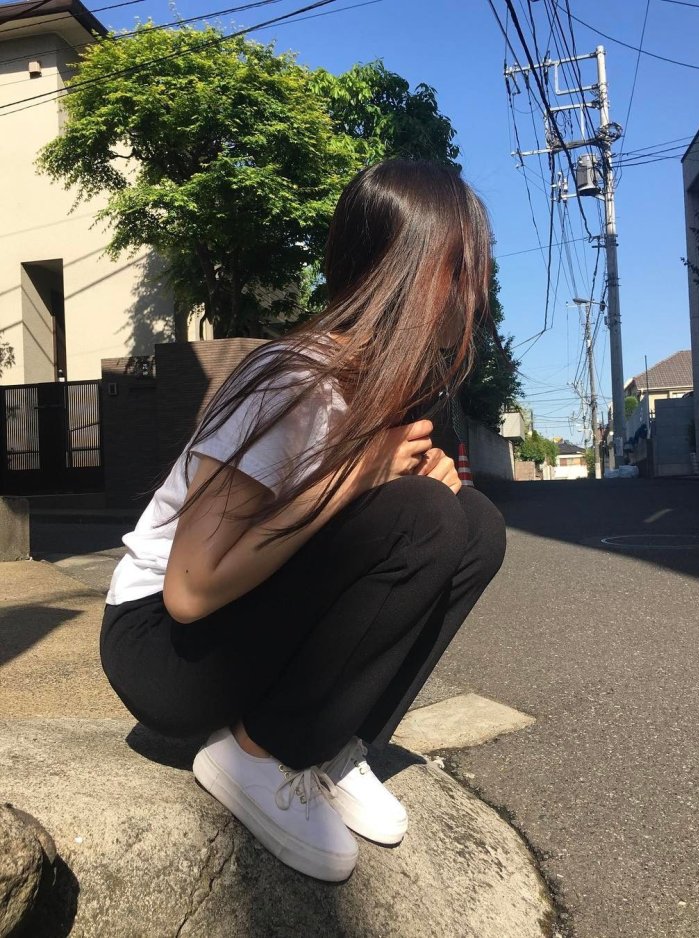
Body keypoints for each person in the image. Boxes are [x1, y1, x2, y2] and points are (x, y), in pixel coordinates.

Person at [100, 159, 507, 883]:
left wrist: (408, 485)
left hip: (233, 631)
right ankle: (255, 755)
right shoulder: (291, 381)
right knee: (422, 516)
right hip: (163, 650)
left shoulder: (382, 388)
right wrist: (362, 478)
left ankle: (325, 740)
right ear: (410, 271)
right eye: (464, 267)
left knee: (471, 523)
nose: (476, 290)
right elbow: (190, 590)